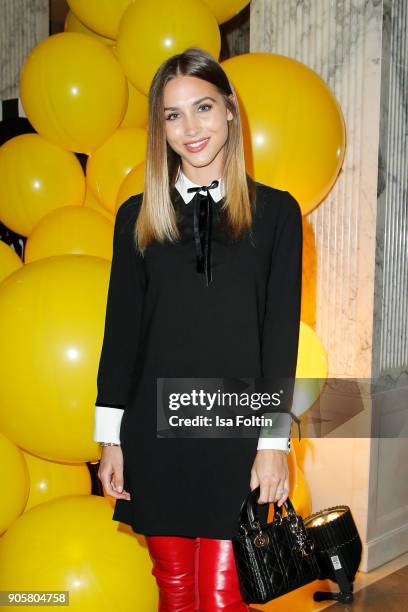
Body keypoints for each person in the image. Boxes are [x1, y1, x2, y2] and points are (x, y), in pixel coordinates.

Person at [93, 47, 303, 611]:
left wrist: (273, 444)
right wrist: (110, 438)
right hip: (154, 433)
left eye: (203, 107)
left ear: (230, 109)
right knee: (176, 590)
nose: (191, 128)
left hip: (237, 433)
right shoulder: (136, 216)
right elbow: (122, 334)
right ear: (159, 128)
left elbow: (280, 337)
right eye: (173, 115)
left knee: (222, 597)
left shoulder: (278, 214)